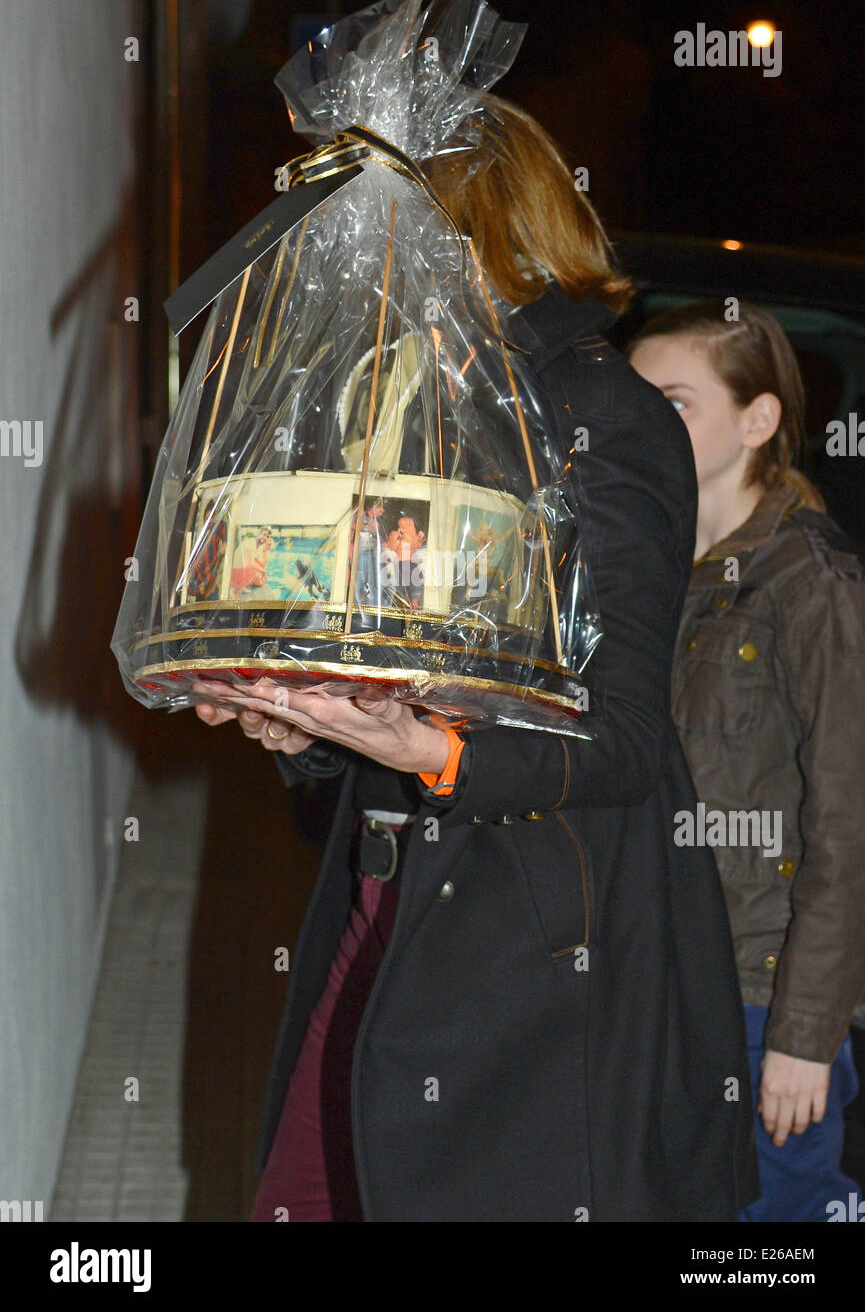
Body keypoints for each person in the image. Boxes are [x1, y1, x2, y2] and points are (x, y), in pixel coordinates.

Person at [192, 96, 759, 1222]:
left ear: (468, 226)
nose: (343, 268)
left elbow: (624, 736)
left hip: (544, 960)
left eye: (366, 227)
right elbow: (385, 670)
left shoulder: (599, 411)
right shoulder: (397, 404)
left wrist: (433, 748)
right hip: (388, 908)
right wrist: (300, 719)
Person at [629, 300, 865, 1222]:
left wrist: (804, 1038)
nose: (645, 423)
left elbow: (849, 824)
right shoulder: (649, 574)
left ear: (756, 421)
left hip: (763, 998)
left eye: (674, 402)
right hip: (665, 978)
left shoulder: (810, 582)